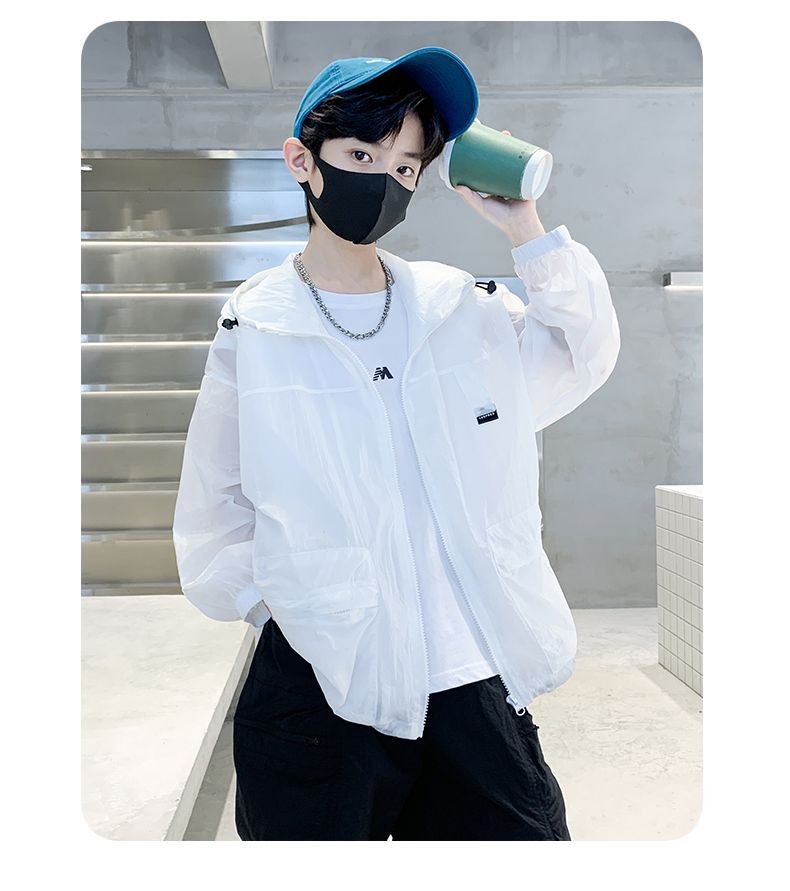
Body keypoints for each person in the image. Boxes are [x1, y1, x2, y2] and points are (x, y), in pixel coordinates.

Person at [172, 46, 620, 841]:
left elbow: (579, 354)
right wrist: (291, 606)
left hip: (468, 675)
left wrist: (526, 228)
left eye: (406, 166)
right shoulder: (258, 326)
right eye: (361, 156)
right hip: (321, 681)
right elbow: (216, 503)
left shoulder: (459, 311)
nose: (384, 180)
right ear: (303, 162)